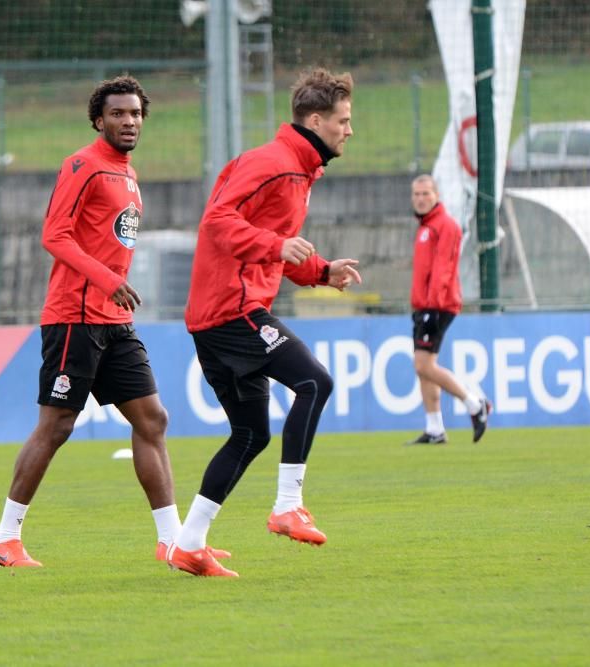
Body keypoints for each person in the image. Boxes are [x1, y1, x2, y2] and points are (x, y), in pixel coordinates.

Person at [0, 76, 226, 568]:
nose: (129, 121)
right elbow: (54, 235)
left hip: (114, 318)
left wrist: (112, 289)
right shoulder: (83, 165)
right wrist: (103, 278)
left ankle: (173, 541)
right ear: (99, 120)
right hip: (74, 315)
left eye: (136, 113)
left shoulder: (128, 175)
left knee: (152, 419)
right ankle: (5, 539)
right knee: (56, 426)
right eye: (118, 114)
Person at [166, 68, 362, 577]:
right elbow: (217, 220)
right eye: (343, 120)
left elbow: (273, 243)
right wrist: (276, 245)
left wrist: (320, 270)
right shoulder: (273, 163)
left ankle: (189, 544)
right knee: (315, 382)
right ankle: (287, 506)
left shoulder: (296, 169)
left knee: (251, 434)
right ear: (315, 120)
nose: (349, 130)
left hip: (219, 315)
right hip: (233, 310)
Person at [406, 174, 491, 445]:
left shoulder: (446, 226)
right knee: (424, 367)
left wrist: (431, 307)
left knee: (423, 364)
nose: (420, 199)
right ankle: (434, 428)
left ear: (436, 195)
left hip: (439, 305)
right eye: (416, 194)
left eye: (426, 194)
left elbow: (443, 271)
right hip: (425, 305)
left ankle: (475, 404)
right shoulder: (425, 227)